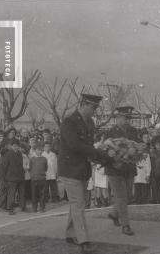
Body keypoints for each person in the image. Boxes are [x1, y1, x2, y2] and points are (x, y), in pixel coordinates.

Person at [58, 93, 110, 253]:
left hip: (82, 169)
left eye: (96, 107)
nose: (95, 110)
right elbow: (75, 145)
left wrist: (99, 154)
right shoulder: (69, 122)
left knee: (76, 203)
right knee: (79, 203)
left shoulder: (90, 123)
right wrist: (97, 153)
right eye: (93, 107)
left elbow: (87, 146)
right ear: (84, 104)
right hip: (70, 169)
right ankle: (83, 240)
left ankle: (69, 233)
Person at [105, 106, 139, 236]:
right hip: (114, 170)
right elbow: (106, 151)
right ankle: (126, 225)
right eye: (125, 118)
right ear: (118, 117)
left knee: (128, 196)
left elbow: (137, 147)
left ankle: (114, 213)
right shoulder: (110, 132)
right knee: (121, 197)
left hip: (129, 169)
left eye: (129, 118)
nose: (127, 121)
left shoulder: (134, 131)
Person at [0, 138, 27, 215]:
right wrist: (4, 178)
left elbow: (21, 166)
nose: (16, 147)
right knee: (11, 193)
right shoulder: (7, 154)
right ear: (11, 146)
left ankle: (23, 207)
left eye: (17, 146)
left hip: (20, 177)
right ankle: (10, 208)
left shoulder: (20, 154)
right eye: (14, 145)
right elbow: (3, 167)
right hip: (11, 178)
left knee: (22, 193)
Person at [29, 142, 48, 213]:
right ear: (35, 151)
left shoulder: (44, 159)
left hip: (42, 179)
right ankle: (34, 208)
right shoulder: (32, 159)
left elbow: (46, 168)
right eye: (38, 150)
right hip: (34, 179)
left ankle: (42, 207)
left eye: (41, 150)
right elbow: (30, 168)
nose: (39, 151)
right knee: (34, 194)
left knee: (42, 194)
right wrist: (33, 175)